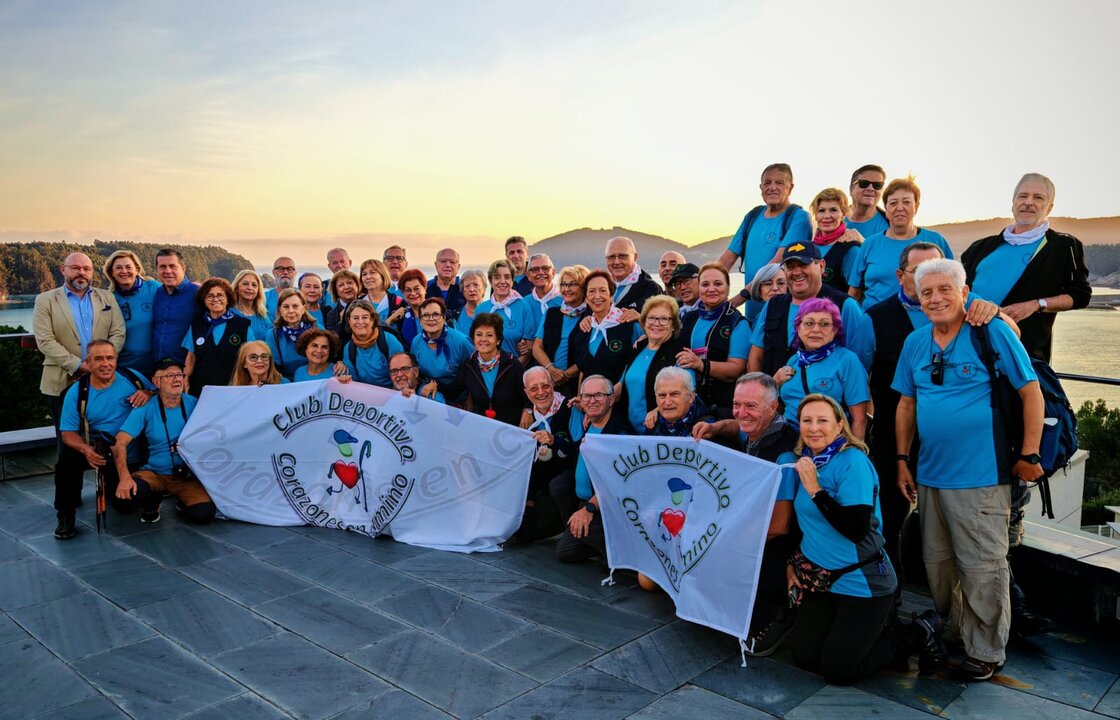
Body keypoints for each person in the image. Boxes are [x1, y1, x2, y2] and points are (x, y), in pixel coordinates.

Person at [893, 259, 1044, 681]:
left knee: (982, 566)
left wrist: (1029, 453)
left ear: (965, 294)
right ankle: (958, 631)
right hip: (930, 475)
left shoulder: (990, 332)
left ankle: (986, 650)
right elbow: (907, 404)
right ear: (917, 299)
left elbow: (1030, 392)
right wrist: (903, 460)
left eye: (945, 290)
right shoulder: (916, 343)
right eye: (927, 293)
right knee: (938, 565)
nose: (936, 298)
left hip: (982, 474)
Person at [782, 394, 940, 686]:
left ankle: (916, 632)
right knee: (804, 657)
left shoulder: (852, 462)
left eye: (822, 421)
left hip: (862, 582)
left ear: (840, 425)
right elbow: (806, 526)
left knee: (839, 670)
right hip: (822, 579)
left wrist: (815, 489)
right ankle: (865, 632)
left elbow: (855, 529)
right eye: (807, 421)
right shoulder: (807, 460)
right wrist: (794, 562)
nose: (814, 428)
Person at [691, 373, 801, 654]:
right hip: (750, 527)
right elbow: (736, 426)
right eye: (737, 404)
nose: (742, 412)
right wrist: (714, 428)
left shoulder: (785, 454)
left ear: (773, 407)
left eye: (750, 406)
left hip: (777, 547)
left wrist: (726, 541)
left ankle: (781, 614)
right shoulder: (757, 428)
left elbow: (780, 526)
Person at [961, 172, 1092, 363]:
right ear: (1013, 202)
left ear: (1049, 207)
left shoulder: (1064, 246)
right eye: (1023, 196)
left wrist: (1036, 305)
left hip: (1023, 356)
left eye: (1038, 198)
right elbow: (960, 294)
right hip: (969, 352)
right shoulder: (979, 247)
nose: (1028, 202)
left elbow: (1081, 295)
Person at [52, 340, 154, 539]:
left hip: (132, 454)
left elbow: (160, 395)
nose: (105, 363)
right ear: (88, 363)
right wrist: (85, 449)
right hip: (100, 452)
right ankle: (65, 514)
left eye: (110, 358)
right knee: (67, 459)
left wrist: (149, 392)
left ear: (116, 360)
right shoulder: (78, 392)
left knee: (126, 506)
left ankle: (113, 486)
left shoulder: (133, 378)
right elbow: (68, 433)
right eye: (98, 359)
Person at [112, 360, 217, 525]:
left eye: (179, 375)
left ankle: (182, 502)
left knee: (204, 514)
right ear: (156, 382)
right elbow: (119, 442)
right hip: (154, 473)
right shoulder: (145, 407)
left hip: (186, 476)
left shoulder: (195, 403)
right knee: (125, 500)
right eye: (170, 375)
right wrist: (125, 478)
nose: (177, 380)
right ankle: (153, 502)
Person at [749, 243, 873, 376]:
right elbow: (756, 356)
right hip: (774, 392)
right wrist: (759, 389)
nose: (796, 272)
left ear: (821, 266)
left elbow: (860, 362)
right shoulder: (773, 305)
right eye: (790, 266)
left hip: (824, 394)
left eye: (803, 265)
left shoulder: (845, 305)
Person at [33, 252, 126, 430]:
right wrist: (78, 365)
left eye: (86, 269)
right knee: (68, 438)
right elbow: (45, 340)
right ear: (63, 270)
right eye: (75, 268)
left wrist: (102, 363)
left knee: (104, 434)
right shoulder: (45, 300)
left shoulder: (107, 297)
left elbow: (118, 332)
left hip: (103, 379)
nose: (81, 272)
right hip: (61, 380)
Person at [720, 163, 813, 319]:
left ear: (790, 187)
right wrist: (703, 287)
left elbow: (777, 262)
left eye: (779, 183)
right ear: (761, 187)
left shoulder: (798, 217)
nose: (772, 187)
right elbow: (728, 258)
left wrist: (738, 299)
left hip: (782, 310)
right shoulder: (752, 216)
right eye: (767, 183)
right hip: (752, 312)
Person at [554, 374, 630, 563]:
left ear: (611, 399)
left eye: (598, 395)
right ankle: (594, 540)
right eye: (587, 396)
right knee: (565, 553)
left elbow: (617, 481)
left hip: (604, 506)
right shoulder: (592, 422)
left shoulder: (619, 433)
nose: (592, 401)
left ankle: (621, 553)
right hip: (582, 500)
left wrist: (589, 508)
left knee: (571, 548)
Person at [849, 177, 953, 308]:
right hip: (875, 321)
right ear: (886, 209)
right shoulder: (870, 244)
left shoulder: (935, 240)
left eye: (906, 202)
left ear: (916, 206)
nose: (900, 208)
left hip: (925, 321)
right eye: (893, 203)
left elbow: (953, 285)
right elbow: (854, 293)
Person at [773, 299, 869, 440]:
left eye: (824, 324)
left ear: (835, 330)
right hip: (787, 437)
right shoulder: (794, 361)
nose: (816, 330)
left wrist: (853, 454)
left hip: (826, 441)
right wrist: (774, 383)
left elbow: (859, 419)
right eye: (809, 323)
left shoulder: (847, 360)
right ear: (798, 328)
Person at [676, 263, 750, 409]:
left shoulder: (738, 323)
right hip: (686, 403)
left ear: (728, 288)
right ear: (699, 289)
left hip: (721, 404)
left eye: (718, 284)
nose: (711, 289)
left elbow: (736, 369)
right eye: (705, 284)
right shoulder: (688, 318)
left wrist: (700, 364)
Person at [515, 367, 574, 543]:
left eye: (545, 386)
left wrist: (555, 442)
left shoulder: (570, 407)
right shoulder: (528, 414)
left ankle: (570, 528)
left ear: (553, 385)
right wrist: (529, 498)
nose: (541, 392)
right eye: (534, 389)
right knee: (523, 533)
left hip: (563, 483)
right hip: (539, 485)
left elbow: (579, 451)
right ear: (526, 393)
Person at [621, 295, 685, 433]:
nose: (656, 323)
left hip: (659, 431)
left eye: (663, 319)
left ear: (673, 325)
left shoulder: (679, 353)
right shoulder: (638, 346)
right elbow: (622, 382)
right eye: (651, 318)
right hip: (629, 431)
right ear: (644, 322)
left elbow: (688, 393)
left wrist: (658, 410)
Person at [447, 312, 526, 424]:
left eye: (489, 335)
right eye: (479, 334)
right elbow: (452, 391)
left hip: (511, 426)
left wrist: (527, 411)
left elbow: (528, 396)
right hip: (482, 425)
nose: (483, 339)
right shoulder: (468, 365)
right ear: (473, 338)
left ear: (498, 340)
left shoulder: (513, 365)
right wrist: (432, 385)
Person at [182, 277, 252, 396]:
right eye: (210, 296)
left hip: (233, 387)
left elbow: (250, 355)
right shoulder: (196, 325)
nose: (215, 299)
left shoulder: (242, 325)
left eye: (220, 295)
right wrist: (185, 377)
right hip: (201, 388)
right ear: (204, 300)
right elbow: (191, 356)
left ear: (228, 299)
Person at [569, 270, 639, 385]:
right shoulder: (585, 327)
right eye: (591, 291)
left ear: (611, 296)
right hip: (590, 399)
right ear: (586, 298)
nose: (597, 296)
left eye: (602, 290)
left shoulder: (629, 324)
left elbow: (636, 363)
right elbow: (584, 369)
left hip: (619, 397)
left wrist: (620, 386)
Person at [532, 264, 589, 398]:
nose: (566, 289)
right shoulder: (551, 313)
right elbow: (536, 347)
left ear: (584, 288)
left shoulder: (590, 317)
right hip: (547, 380)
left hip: (574, 384)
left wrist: (565, 375)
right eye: (563, 284)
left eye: (572, 284)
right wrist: (551, 369)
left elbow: (588, 355)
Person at [103, 250, 161, 375]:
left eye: (128, 267)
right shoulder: (108, 298)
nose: (124, 271)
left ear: (137, 269)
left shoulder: (153, 288)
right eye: (118, 267)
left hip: (154, 367)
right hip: (122, 369)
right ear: (111, 272)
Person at [410, 297, 474, 399]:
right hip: (429, 389)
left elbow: (475, 370)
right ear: (420, 321)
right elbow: (415, 372)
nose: (431, 319)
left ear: (443, 318)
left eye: (435, 314)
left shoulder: (461, 342)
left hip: (458, 392)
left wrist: (471, 397)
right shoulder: (416, 342)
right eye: (425, 315)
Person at [476, 260, 535, 364]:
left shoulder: (523, 306)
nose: (502, 281)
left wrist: (511, 372)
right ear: (491, 281)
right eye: (497, 277)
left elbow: (528, 350)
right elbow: (477, 344)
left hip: (515, 370)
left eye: (507, 277)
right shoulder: (481, 309)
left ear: (512, 281)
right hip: (485, 370)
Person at [809, 188, 864, 293]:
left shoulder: (851, 249)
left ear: (843, 214)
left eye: (833, 210)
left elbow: (855, 292)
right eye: (821, 211)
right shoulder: (809, 247)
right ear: (815, 215)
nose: (826, 216)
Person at [151, 249, 199, 367]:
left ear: (183, 268)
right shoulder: (157, 293)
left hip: (187, 367)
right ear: (157, 270)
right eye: (162, 267)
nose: (167, 271)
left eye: (172, 266)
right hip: (159, 366)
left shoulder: (197, 294)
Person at [342, 299, 405, 388]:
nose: (360, 322)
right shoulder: (348, 348)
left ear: (372, 320)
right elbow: (354, 381)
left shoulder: (389, 341)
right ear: (349, 321)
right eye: (355, 318)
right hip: (365, 395)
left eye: (365, 317)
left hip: (392, 392)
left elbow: (403, 374)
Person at [604, 236, 662, 315]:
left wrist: (640, 318)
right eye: (611, 257)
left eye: (622, 256)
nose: (616, 262)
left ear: (635, 257)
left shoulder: (651, 289)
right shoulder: (600, 286)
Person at [266, 289, 317, 379]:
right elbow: (274, 368)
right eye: (285, 307)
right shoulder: (273, 335)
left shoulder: (316, 329)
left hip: (314, 379)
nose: (291, 311)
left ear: (303, 309)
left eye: (295, 306)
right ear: (279, 310)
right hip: (286, 382)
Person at [846, 165, 889, 239]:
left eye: (877, 185)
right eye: (864, 183)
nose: (871, 188)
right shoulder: (831, 218)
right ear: (851, 189)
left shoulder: (890, 226)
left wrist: (862, 242)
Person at [388, 268, 427, 348]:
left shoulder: (439, 312)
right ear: (402, 293)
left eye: (416, 289)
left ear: (425, 288)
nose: (412, 293)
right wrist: (390, 319)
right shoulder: (400, 318)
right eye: (407, 290)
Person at [523, 253, 562, 334]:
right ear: (528, 276)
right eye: (535, 269)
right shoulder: (524, 304)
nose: (541, 272)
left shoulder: (565, 300)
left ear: (553, 273)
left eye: (545, 268)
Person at [231, 269, 274, 340]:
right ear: (236, 288)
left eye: (254, 285)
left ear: (258, 290)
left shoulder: (263, 315)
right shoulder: (229, 314)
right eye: (245, 284)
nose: (250, 288)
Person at [427, 248, 466, 321]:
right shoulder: (425, 288)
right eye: (443, 261)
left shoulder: (465, 289)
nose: (448, 265)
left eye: (452, 262)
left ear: (458, 266)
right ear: (436, 265)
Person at [324, 268, 361, 345]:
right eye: (341, 285)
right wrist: (341, 321)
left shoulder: (368, 305)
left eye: (350, 283)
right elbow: (333, 341)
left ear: (357, 286)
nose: (347, 287)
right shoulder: (331, 314)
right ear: (336, 291)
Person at [454, 269, 488, 336]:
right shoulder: (456, 316)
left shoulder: (493, 311)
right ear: (462, 290)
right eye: (467, 286)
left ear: (484, 288)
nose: (472, 289)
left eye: (476, 285)